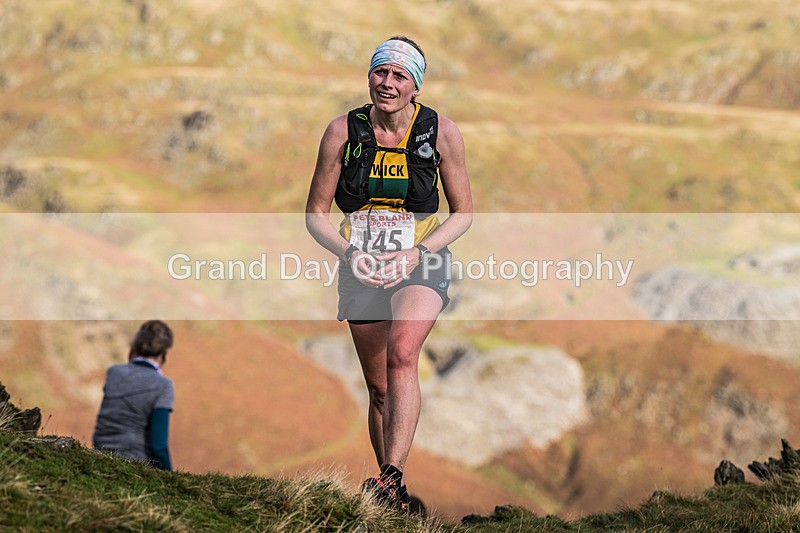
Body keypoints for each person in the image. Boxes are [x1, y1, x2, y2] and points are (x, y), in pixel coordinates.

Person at [305, 36, 473, 511]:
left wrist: (418, 251)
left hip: (422, 259)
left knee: (403, 355)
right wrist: (348, 252)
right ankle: (389, 490)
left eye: (400, 76)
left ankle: (393, 476)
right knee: (379, 388)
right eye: (381, 72)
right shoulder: (342, 132)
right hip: (360, 266)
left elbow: (464, 213)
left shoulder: (442, 133)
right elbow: (315, 214)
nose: (387, 83)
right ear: (369, 76)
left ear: (415, 86)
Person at [93, 320, 175, 471]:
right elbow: (159, 446)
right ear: (163, 353)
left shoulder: (114, 372)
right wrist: (173, 481)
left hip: (98, 454)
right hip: (135, 464)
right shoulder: (163, 385)